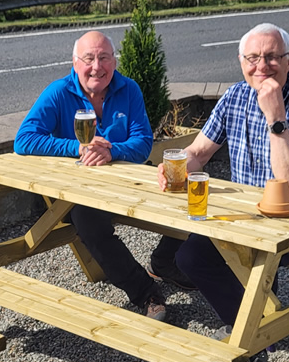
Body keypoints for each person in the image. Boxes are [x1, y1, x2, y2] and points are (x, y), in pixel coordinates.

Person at [156, 22, 289, 362]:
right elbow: (200, 151)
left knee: (249, 262)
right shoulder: (235, 96)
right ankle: (253, 333)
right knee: (188, 257)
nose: (261, 67)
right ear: (241, 62)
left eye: (272, 57)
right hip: (246, 214)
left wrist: (275, 116)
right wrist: (177, 166)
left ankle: (250, 346)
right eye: (252, 58)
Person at [15, 30, 185, 321]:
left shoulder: (129, 89)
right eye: (89, 59)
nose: (97, 66)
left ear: (114, 62)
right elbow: (24, 140)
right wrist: (77, 147)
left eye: (104, 58)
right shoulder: (58, 92)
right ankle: (146, 293)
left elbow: (143, 143)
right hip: (80, 190)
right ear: (74, 63)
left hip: (125, 181)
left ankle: (166, 261)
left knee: (183, 193)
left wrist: (111, 151)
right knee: (87, 221)